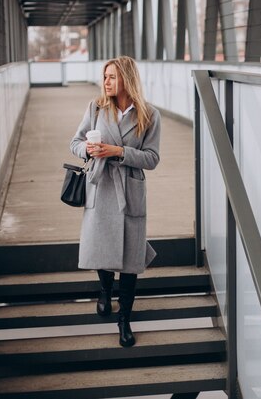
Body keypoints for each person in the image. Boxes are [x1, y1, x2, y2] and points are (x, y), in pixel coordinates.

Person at [70, 56, 160, 347]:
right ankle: (105, 289)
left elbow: (152, 158)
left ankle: (125, 319)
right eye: (105, 76)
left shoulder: (149, 115)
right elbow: (74, 143)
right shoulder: (96, 108)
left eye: (112, 77)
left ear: (127, 79)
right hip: (102, 187)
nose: (106, 82)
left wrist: (118, 151)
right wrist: (89, 149)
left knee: (131, 261)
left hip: (130, 192)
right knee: (102, 246)